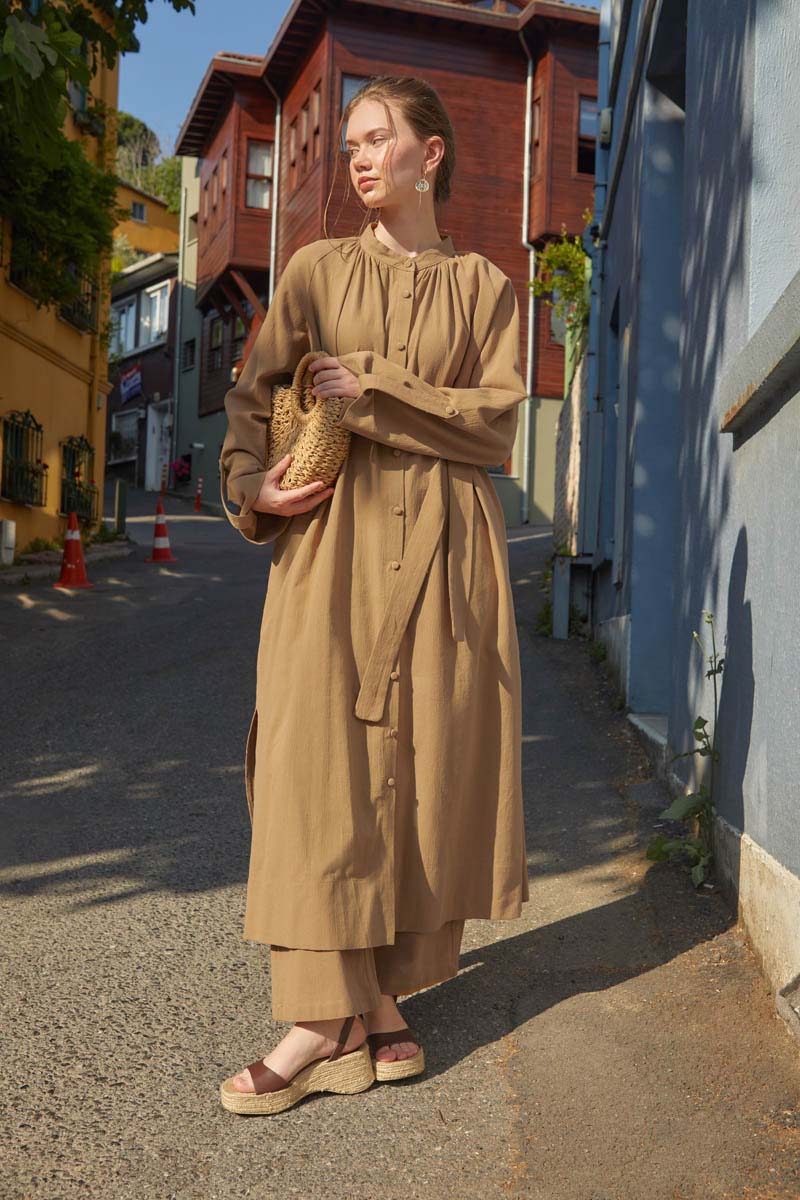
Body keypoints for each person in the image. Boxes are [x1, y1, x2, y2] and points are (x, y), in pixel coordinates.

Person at [217, 75, 530, 1116]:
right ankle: (321, 1019)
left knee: (420, 763)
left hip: (445, 548)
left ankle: (377, 1001)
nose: (355, 158)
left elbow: (493, 425)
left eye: (375, 138)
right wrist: (252, 486)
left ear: (428, 153)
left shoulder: (485, 289)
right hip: (331, 544)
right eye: (347, 142)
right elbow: (255, 396)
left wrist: (378, 389)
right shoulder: (314, 271)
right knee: (314, 766)